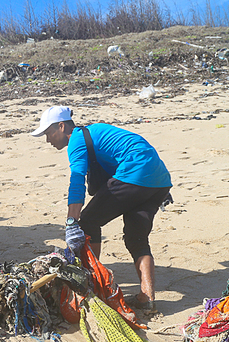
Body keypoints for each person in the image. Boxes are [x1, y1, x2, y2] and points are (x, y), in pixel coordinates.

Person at [31, 105, 172, 314]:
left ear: (61, 127)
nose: (47, 140)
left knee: (86, 223)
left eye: (48, 133)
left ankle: (91, 283)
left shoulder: (77, 140)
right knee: (136, 238)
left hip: (135, 172)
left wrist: (71, 222)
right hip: (159, 180)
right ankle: (147, 297)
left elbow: (77, 179)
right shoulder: (95, 132)